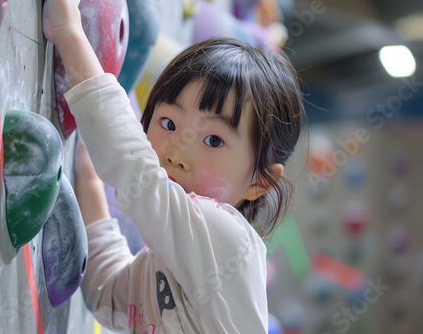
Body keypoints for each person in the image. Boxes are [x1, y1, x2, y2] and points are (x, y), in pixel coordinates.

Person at [43, 0, 304, 332]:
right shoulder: (169, 257)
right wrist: (91, 177)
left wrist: (68, 32)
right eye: (167, 123)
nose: (175, 153)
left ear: (259, 182)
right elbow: (107, 293)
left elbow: (138, 173)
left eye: (213, 140)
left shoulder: (227, 242)